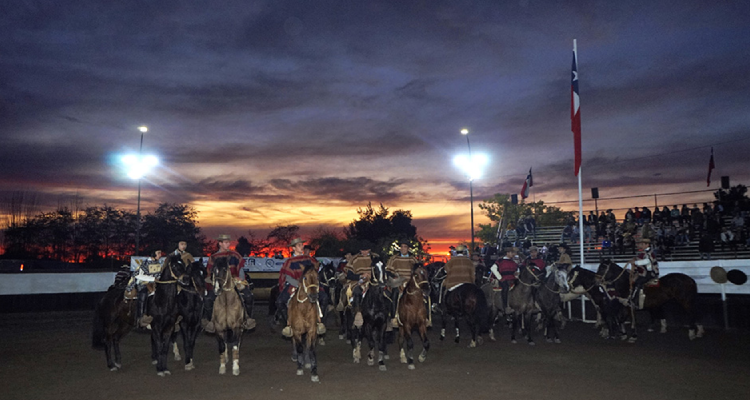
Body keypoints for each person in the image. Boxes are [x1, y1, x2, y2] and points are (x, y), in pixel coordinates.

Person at [202, 234, 255, 332]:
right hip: (219, 283)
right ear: (220, 243)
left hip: (234, 282)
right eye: (226, 242)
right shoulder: (213, 257)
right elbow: (210, 272)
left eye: (228, 242)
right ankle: (210, 322)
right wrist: (213, 281)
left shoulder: (235, 255)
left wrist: (240, 279)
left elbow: (241, 269)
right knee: (208, 299)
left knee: (248, 296)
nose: (228, 244)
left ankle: (247, 319)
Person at [278, 238, 323, 337]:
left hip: (309, 285)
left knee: (324, 297)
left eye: (302, 245)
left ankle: (319, 322)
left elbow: (316, 270)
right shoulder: (289, 261)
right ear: (293, 248)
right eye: (299, 245)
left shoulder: (309, 259)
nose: (302, 247)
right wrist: (297, 284)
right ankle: (289, 324)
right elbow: (287, 276)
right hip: (294, 285)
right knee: (280, 301)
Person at [341, 242, 380, 328]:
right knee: (357, 291)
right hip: (358, 281)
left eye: (366, 250)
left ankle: (387, 316)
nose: (364, 252)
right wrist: (361, 275)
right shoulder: (354, 259)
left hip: (373, 281)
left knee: (383, 293)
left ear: (369, 249)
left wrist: (372, 276)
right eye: (362, 250)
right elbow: (349, 275)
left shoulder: (375, 257)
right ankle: (358, 312)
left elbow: (381, 271)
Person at [385, 239, 423, 327]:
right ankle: (393, 317)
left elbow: (417, 272)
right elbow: (388, 270)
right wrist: (395, 276)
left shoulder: (413, 259)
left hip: (410, 282)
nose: (403, 249)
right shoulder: (393, 258)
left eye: (405, 247)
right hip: (398, 281)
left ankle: (424, 317)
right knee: (395, 295)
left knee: (423, 295)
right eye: (401, 247)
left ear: (408, 249)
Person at [136, 249, 163, 327]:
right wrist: (152, 279)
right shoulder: (145, 263)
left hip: (156, 283)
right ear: (153, 254)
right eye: (158, 253)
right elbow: (138, 275)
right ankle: (140, 317)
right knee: (143, 294)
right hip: (144, 283)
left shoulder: (159, 263)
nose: (160, 255)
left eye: (160, 253)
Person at [630, 238, 659, 304]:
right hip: (647, 272)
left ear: (647, 245)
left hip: (650, 273)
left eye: (642, 244)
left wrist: (635, 263)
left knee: (638, 282)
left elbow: (647, 261)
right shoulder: (646, 253)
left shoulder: (649, 253)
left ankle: (635, 299)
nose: (641, 245)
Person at [491, 247, 519, 315]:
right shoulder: (500, 261)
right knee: (505, 288)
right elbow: (493, 268)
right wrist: (500, 278)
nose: (513, 254)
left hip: (513, 279)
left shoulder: (514, 262)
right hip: (504, 279)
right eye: (512, 253)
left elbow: (517, 270)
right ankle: (505, 307)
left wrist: (517, 275)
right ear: (507, 253)